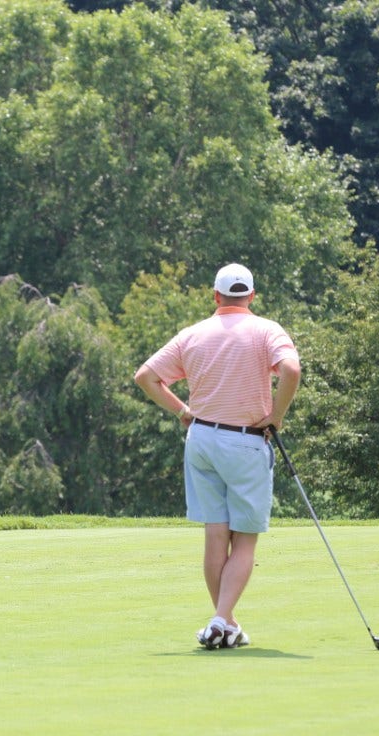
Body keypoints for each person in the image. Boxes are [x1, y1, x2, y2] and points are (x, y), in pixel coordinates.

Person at [134, 263, 301, 649]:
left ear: (215, 296)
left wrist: (181, 410)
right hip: (245, 441)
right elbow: (291, 369)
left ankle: (225, 624)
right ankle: (220, 619)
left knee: (214, 535)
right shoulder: (266, 329)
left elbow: (145, 376)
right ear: (252, 297)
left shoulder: (192, 334)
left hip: (202, 438)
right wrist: (276, 417)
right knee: (244, 541)